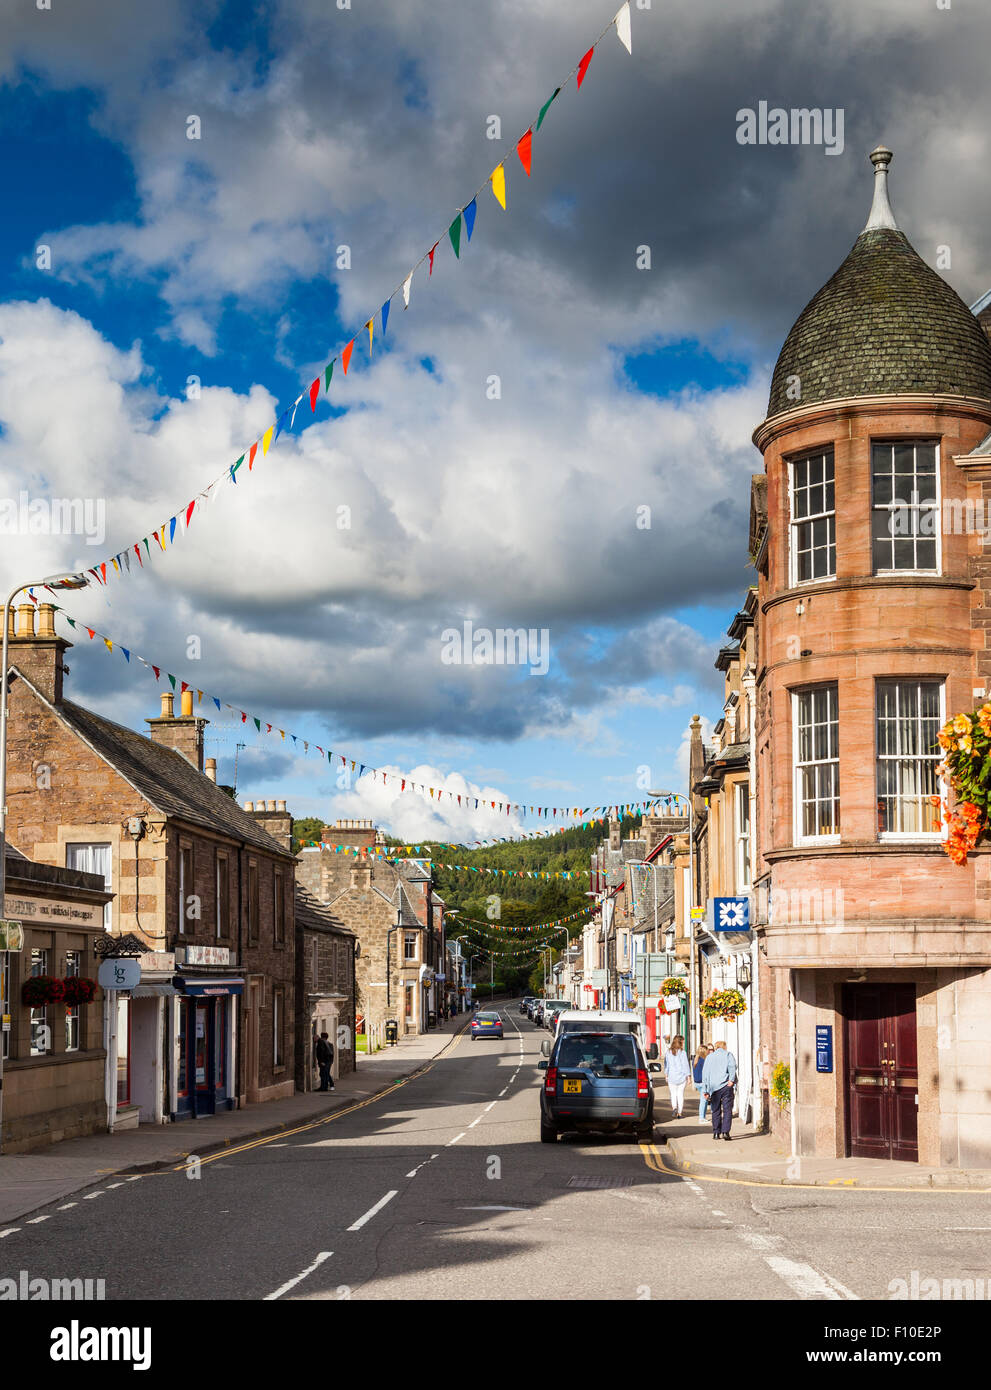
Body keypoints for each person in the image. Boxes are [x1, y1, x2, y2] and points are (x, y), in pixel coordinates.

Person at [701, 1039, 737, 1140]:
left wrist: (705, 1090)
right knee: (727, 1110)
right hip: (726, 1086)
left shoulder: (709, 1057)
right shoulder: (728, 1055)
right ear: (724, 1047)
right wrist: (731, 1080)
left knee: (715, 1110)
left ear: (716, 1047)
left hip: (713, 1088)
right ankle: (725, 1132)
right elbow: (732, 1067)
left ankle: (716, 1133)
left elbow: (705, 1074)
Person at [663, 1034, 691, 1119]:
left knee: (673, 1094)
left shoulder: (668, 1052)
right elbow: (685, 1065)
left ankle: (674, 1107)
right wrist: (688, 1077)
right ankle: (679, 1113)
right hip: (681, 1077)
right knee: (680, 1094)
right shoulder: (683, 1053)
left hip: (671, 1076)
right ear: (681, 1042)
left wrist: (666, 1074)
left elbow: (666, 1065)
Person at [693, 1043, 712, 1122]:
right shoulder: (704, 1061)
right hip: (702, 1082)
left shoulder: (695, 1060)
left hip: (697, 1082)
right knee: (704, 1100)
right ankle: (701, 1118)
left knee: (704, 1099)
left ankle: (703, 1117)